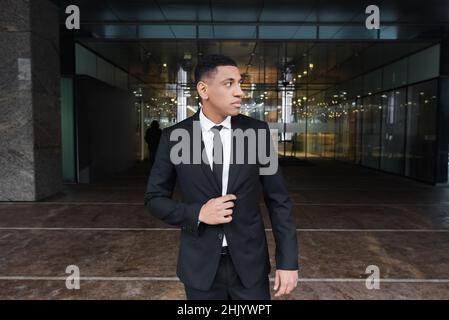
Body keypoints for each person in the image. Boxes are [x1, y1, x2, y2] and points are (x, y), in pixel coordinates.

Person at [144, 54, 298, 300]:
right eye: (229, 84)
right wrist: (197, 214)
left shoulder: (257, 133)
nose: (239, 92)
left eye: (239, 83)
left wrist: (288, 261)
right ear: (203, 89)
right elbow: (154, 199)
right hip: (200, 268)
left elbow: (279, 200)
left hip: (250, 268)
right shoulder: (174, 137)